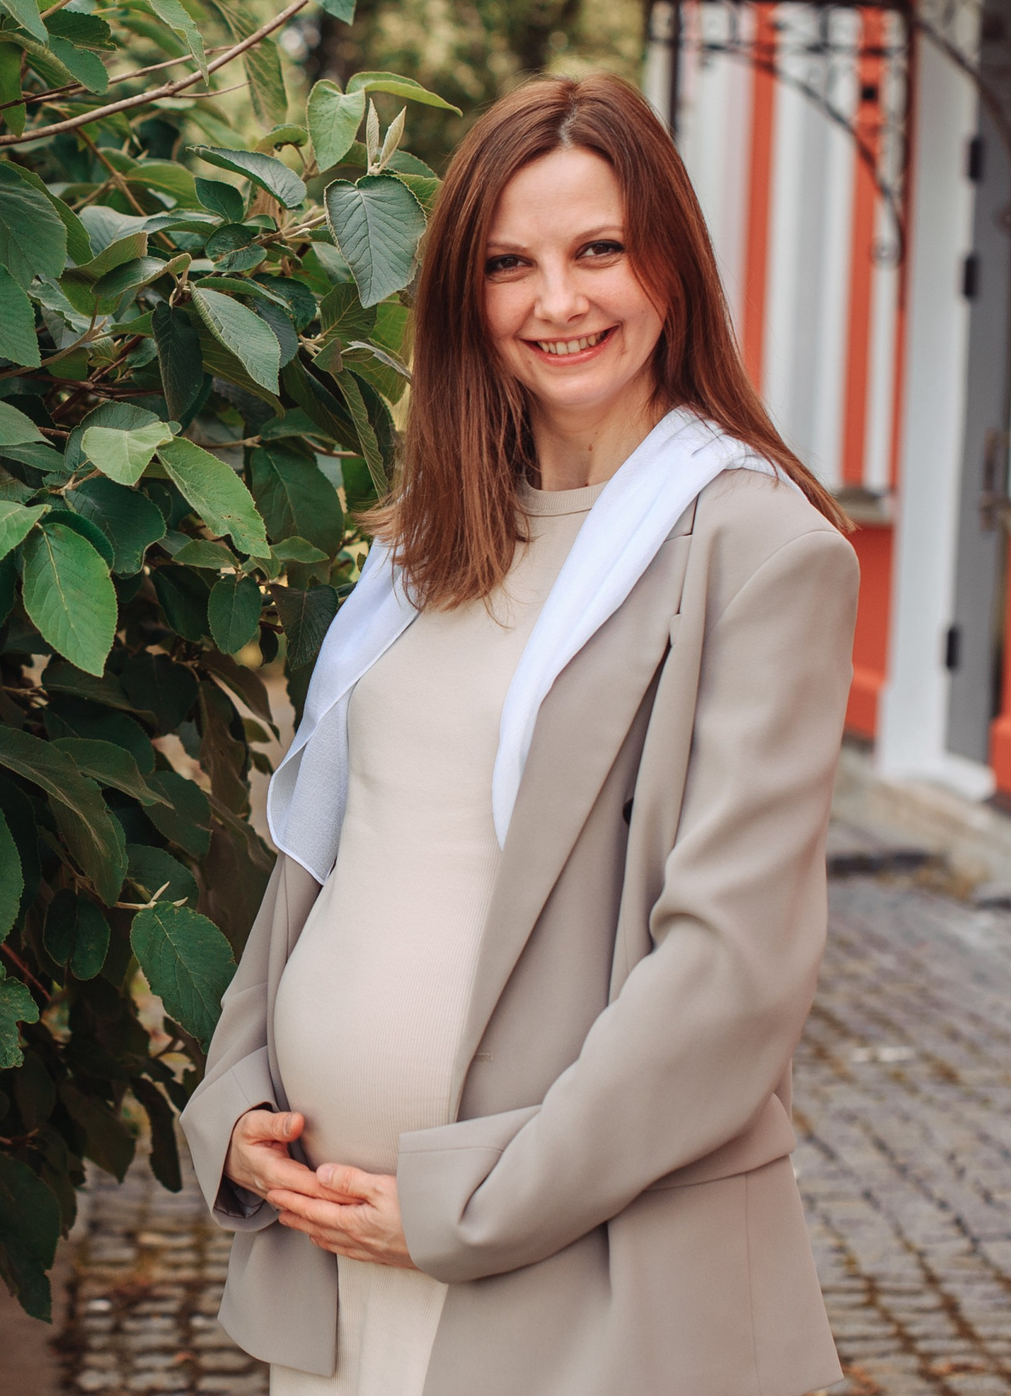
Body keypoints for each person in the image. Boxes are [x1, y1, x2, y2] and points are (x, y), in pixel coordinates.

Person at [178, 73, 858, 1396]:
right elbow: (331, 845)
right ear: (462, 299)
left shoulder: (757, 552)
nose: (559, 301)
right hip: (338, 1255)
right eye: (510, 265)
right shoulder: (423, 546)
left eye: (597, 248)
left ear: (671, 263)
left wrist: (470, 1209)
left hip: (573, 1280)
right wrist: (239, 1098)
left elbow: (731, 974)